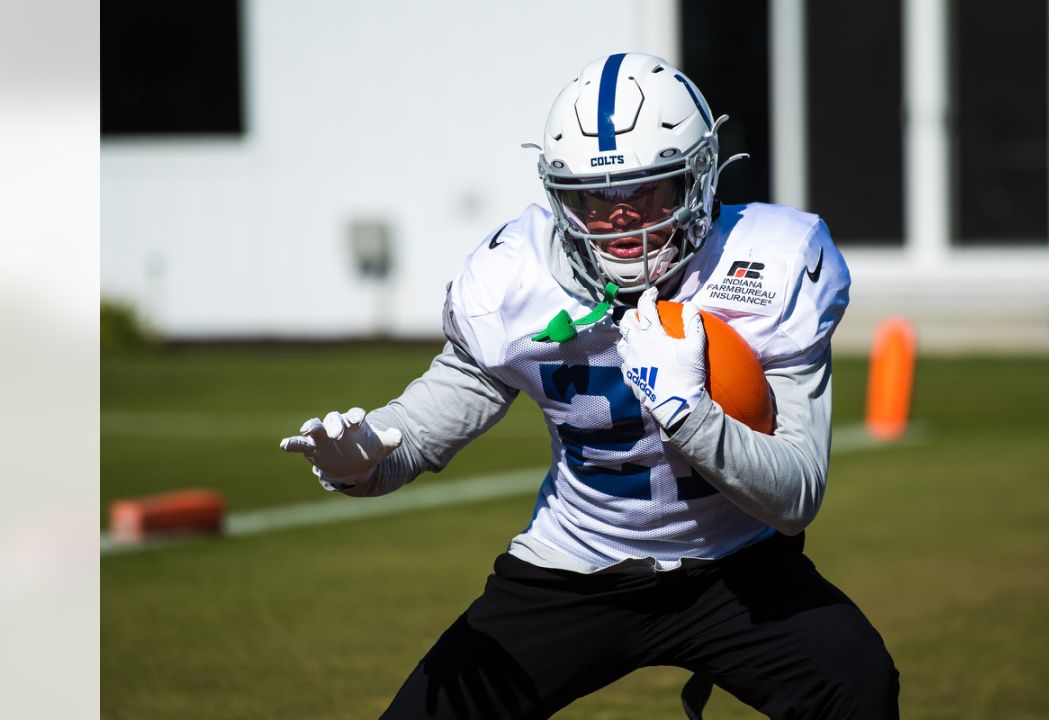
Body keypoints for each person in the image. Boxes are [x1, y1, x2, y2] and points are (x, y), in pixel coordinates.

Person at [280, 52, 898, 719]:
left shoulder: (769, 263)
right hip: (578, 565)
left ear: (697, 179)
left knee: (855, 680)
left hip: (737, 566)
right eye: (595, 197)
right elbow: (423, 430)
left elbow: (796, 496)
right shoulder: (516, 277)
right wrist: (362, 461)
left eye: (647, 190)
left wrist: (690, 414)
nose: (620, 218)